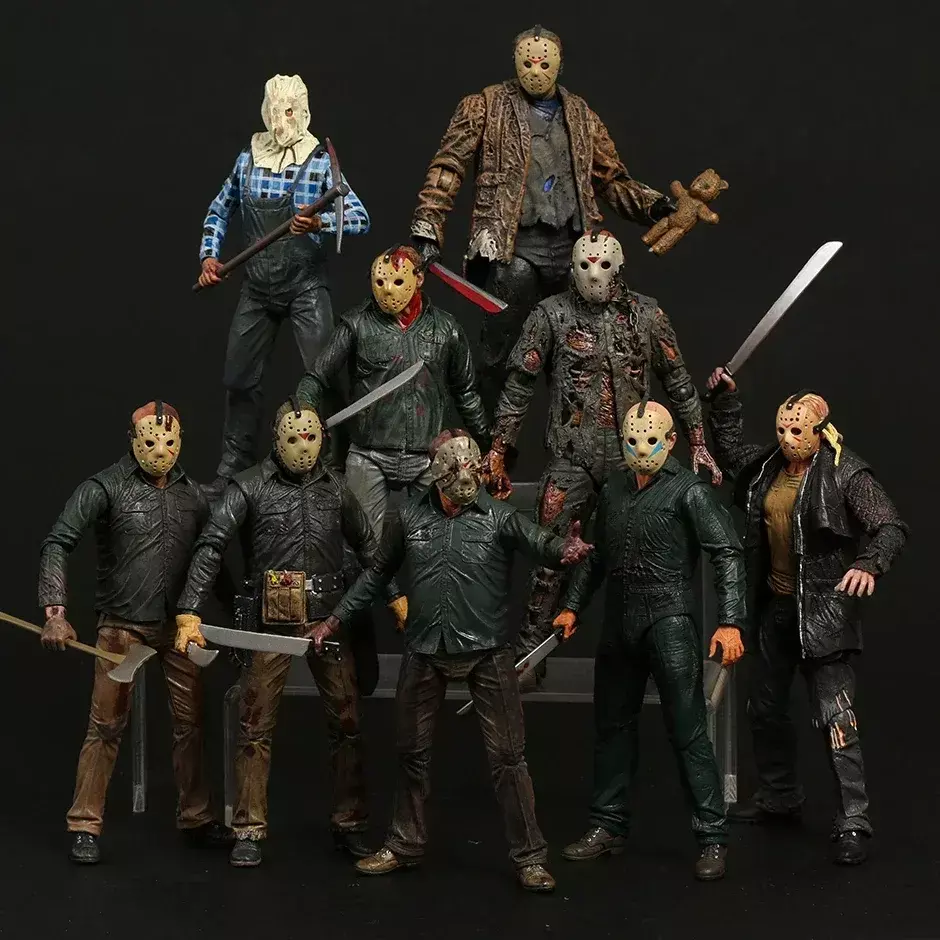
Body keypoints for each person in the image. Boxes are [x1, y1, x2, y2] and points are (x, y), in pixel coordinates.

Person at [311, 429, 592, 892]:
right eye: (454, 469)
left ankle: (530, 857)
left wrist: (565, 550)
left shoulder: (499, 516)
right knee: (410, 753)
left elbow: (540, 541)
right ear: (437, 473)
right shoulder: (409, 518)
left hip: (488, 651)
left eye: (470, 468)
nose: (464, 477)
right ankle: (404, 843)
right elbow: (376, 574)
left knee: (509, 759)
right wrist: (334, 620)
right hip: (426, 648)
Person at [410, 25, 692, 416]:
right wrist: (428, 227)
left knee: (579, 360)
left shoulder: (580, 115)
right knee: (501, 357)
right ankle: (489, 442)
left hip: (572, 251)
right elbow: (449, 166)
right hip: (513, 249)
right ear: (515, 61)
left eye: (545, 64)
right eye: (527, 63)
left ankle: (575, 447)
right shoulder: (486, 106)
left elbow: (611, 180)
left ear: (559, 65)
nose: (535, 71)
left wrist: (656, 207)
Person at [174, 398, 406, 868]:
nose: (304, 446)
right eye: (294, 437)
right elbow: (212, 544)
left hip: (328, 619)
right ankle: (249, 827)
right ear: (277, 440)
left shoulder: (337, 489)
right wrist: (188, 610)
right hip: (270, 622)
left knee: (348, 724)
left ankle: (350, 821)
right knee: (254, 726)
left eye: (311, 437)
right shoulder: (249, 486)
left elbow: (369, 548)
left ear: (322, 438)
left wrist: (395, 595)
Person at [484, 229, 721, 687]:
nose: (594, 274)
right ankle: (531, 655)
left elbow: (677, 379)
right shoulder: (549, 315)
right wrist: (497, 449)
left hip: (636, 459)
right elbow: (518, 387)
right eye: (585, 265)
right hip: (572, 454)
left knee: (643, 559)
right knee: (549, 553)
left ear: (620, 267)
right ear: (572, 268)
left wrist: (698, 442)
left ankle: (650, 653)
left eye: (604, 265)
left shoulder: (647, 315)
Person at [705, 370, 908, 865]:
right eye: (781, 429)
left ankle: (854, 818)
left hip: (823, 613)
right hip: (775, 609)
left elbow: (890, 525)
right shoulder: (768, 466)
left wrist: (868, 563)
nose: (787, 438)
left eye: (797, 430)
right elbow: (730, 455)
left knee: (836, 716)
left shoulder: (845, 472)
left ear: (820, 431)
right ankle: (779, 795)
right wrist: (726, 402)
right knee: (764, 708)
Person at [556, 401, 746, 881]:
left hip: (669, 621)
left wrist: (731, 621)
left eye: (652, 440)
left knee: (688, 729)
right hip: (620, 620)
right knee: (611, 727)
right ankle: (607, 824)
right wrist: (573, 605)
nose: (642, 450)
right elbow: (595, 556)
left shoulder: (690, 492)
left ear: (671, 441)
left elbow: (727, 551)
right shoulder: (614, 489)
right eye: (633, 441)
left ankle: (712, 835)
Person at [38, 401, 232, 864]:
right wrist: (55, 610)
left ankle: (196, 816)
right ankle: (85, 822)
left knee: (192, 723)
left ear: (180, 442)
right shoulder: (104, 487)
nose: (159, 450)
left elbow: (211, 559)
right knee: (105, 725)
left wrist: (236, 616)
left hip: (178, 628)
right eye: (149, 441)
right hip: (121, 627)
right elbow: (58, 541)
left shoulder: (193, 496)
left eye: (168, 441)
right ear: (133, 440)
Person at [197, 74, 370, 499]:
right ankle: (233, 468)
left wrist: (319, 223)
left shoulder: (318, 163)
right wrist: (208, 257)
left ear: (303, 111)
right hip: (257, 289)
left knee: (323, 375)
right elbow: (219, 211)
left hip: (305, 287)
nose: (280, 121)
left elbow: (360, 219)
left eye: (288, 111)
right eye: (274, 111)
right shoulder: (247, 160)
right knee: (239, 377)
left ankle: (332, 465)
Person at [297, 244, 489, 541]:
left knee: (436, 544)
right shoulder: (356, 324)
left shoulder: (446, 329)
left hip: (430, 457)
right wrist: (304, 410)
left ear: (419, 278)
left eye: (398, 281)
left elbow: (466, 392)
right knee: (361, 544)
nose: (387, 290)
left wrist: (489, 447)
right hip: (369, 454)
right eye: (379, 281)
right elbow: (317, 376)